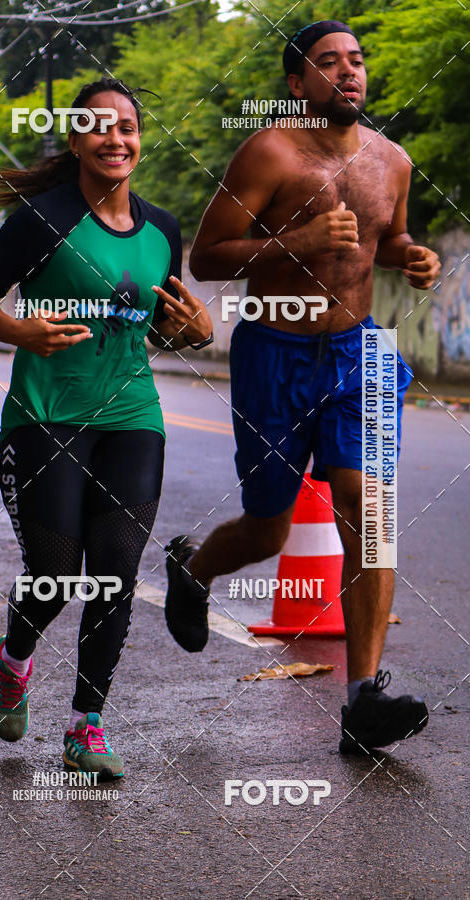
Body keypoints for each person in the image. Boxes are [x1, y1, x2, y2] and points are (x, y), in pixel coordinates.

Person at [164, 21, 441, 755]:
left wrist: (413, 258)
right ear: (297, 85)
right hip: (274, 354)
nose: (347, 72)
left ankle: (363, 698)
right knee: (270, 528)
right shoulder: (269, 151)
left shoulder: (394, 160)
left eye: (356, 60)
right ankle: (193, 571)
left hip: (357, 354)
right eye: (328, 63)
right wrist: (296, 242)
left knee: (368, 510)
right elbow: (210, 256)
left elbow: (390, 238)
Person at [0, 78, 213, 778]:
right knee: (56, 575)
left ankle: (85, 725)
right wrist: (17, 331)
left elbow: (166, 319)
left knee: (117, 570)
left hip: (132, 416)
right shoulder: (45, 219)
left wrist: (198, 330)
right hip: (46, 417)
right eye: (98, 127)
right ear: (74, 141)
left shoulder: (161, 229)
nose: (115, 139)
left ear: (139, 137)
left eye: (126, 126)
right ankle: (13, 660)